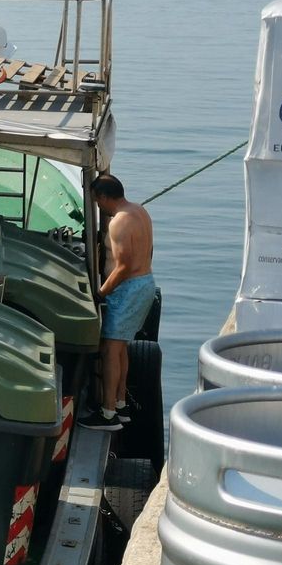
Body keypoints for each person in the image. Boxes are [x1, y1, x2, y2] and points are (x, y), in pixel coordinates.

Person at [79, 174, 155, 431]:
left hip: (128, 288)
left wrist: (100, 293)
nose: (98, 206)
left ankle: (107, 412)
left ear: (103, 197)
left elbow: (122, 266)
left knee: (110, 349)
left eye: (97, 200)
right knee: (120, 347)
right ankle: (120, 404)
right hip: (145, 282)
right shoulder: (139, 211)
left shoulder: (118, 222)